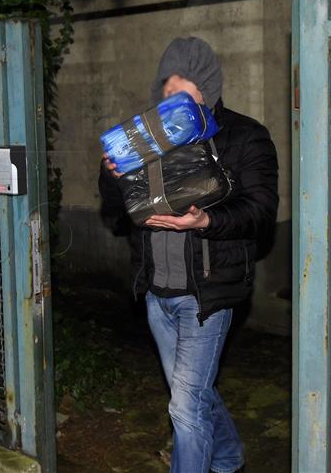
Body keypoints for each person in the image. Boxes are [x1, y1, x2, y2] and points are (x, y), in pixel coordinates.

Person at [98, 37, 278, 473]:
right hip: (158, 291)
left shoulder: (244, 135)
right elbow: (118, 210)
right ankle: (229, 455)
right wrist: (111, 176)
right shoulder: (147, 137)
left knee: (183, 405)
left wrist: (205, 223)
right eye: (167, 87)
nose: (172, 98)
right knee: (196, 393)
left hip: (207, 296)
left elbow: (260, 211)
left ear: (208, 88)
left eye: (184, 88)